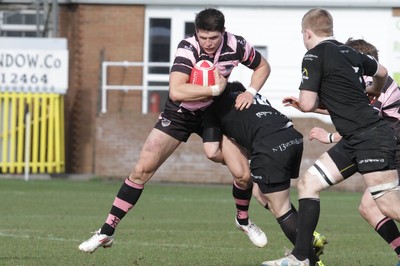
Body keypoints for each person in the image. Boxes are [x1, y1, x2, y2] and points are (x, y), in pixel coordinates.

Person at [78, 8, 271, 253]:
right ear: (196, 33)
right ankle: (106, 231)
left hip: (214, 114)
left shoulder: (237, 45)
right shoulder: (187, 48)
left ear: (223, 32)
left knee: (243, 174)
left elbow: (263, 66)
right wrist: (214, 89)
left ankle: (242, 220)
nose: (208, 43)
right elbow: (177, 91)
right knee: (142, 169)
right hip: (180, 113)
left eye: (213, 38)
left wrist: (250, 92)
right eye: (203, 37)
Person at [262, 8, 400, 266]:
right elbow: (382, 72)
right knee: (308, 184)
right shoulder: (352, 54)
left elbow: (306, 102)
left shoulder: (313, 56)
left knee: (389, 205)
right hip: (355, 139)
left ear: (307, 33)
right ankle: (301, 257)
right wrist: (374, 91)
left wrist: (307, 104)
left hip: (371, 137)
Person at [203, 81, 325, 266]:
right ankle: (308, 237)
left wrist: (230, 158)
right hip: (292, 138)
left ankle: (310, 260)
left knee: (280, 208)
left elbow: (211, 152)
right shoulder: (255, 98)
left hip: (270, 145)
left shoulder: (215, 106)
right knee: (260, 194)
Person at [307, 37, 400, 263]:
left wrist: (329, 137)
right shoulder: (371, 83)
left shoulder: (377, 84)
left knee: (377, 205)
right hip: (389, 147)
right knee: (369, 207)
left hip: (393, 149)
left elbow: (363, 124)